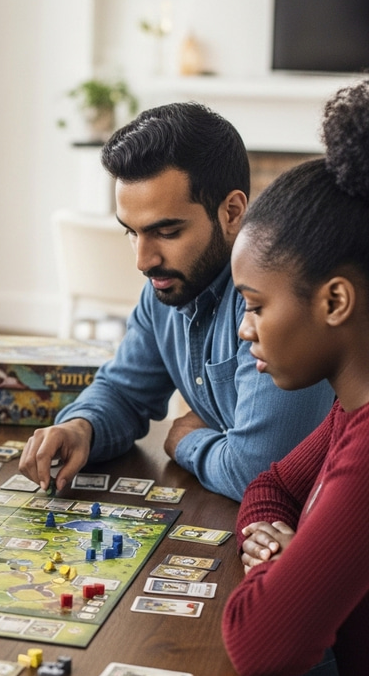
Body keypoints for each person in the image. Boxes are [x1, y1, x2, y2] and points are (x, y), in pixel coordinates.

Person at [19, 102, 334, 501]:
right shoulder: (167, 286)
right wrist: (81, 428)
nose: (142, 261)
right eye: (131, 232)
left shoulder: (281, 302)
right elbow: (124, 391)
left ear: (232, 212)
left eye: (166, 232)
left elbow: (259, 471)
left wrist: (188, 440)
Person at [223, 81, 369, 676]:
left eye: (256, 305)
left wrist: (282, 572)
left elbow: (260, 641)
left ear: (334, 301)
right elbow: (267, 487)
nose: (244, 328)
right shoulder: (349, 406)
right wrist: (277, 538)